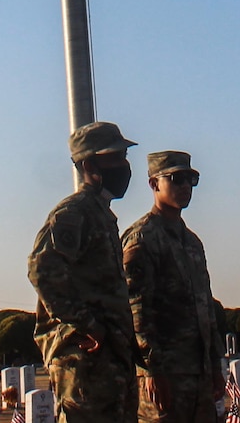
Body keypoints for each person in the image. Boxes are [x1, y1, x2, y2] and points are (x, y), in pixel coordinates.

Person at [30, 121, 142, 423]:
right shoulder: (73, 213)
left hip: (111, 358)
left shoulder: (102, 214)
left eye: (124, 157)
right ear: (90, 164)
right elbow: (42, 270)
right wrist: (87, 323)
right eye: (116, 158)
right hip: (84, 360)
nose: (124, 166)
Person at [122, 151, 227, 423]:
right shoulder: (142, 239)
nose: (185, 187)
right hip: (164, 375)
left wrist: (215, 365)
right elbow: (137, 311)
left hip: (198, 374)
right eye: (176, 179)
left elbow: (206, 308)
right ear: (154, 184)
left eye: (191, 179)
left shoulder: (192, 242)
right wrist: (151, 369)